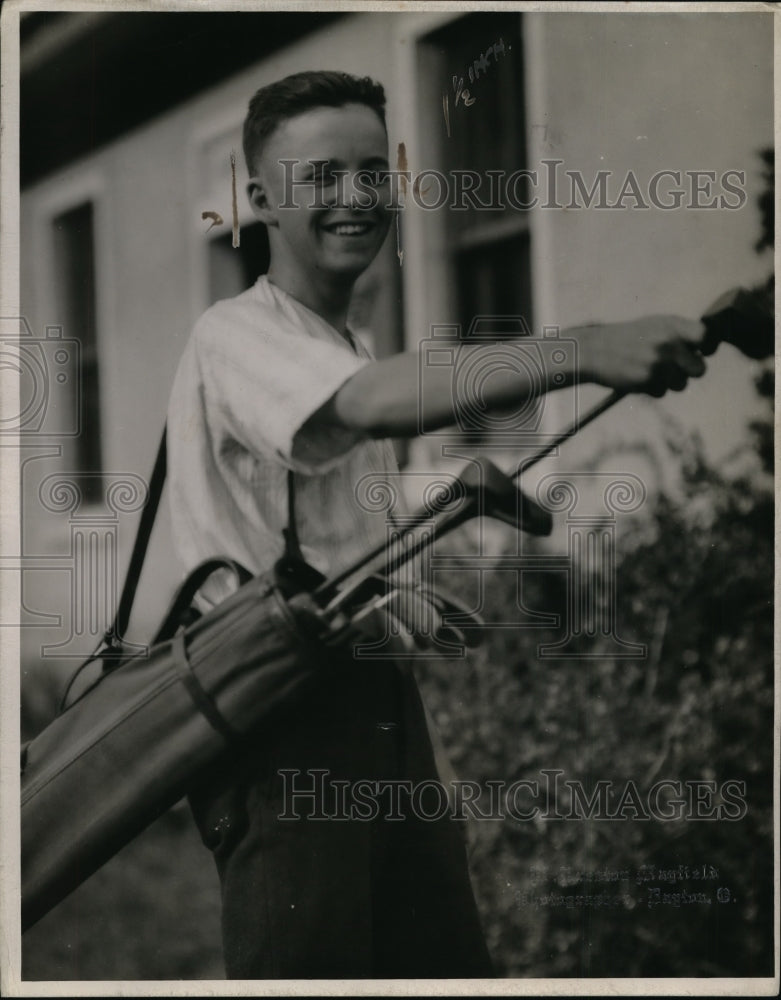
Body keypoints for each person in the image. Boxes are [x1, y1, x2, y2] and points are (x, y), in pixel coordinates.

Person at [166, 70, 707, 979]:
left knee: (444, 968)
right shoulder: (235, 335)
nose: (355, 197)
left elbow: (317, 521)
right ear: (258, 200)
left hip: (370, 702)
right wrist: (580, 348)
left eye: (373, 172)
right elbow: (369, 406)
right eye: (320, 176)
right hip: (279, 720)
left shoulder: (340, 345)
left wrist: (425, 550)